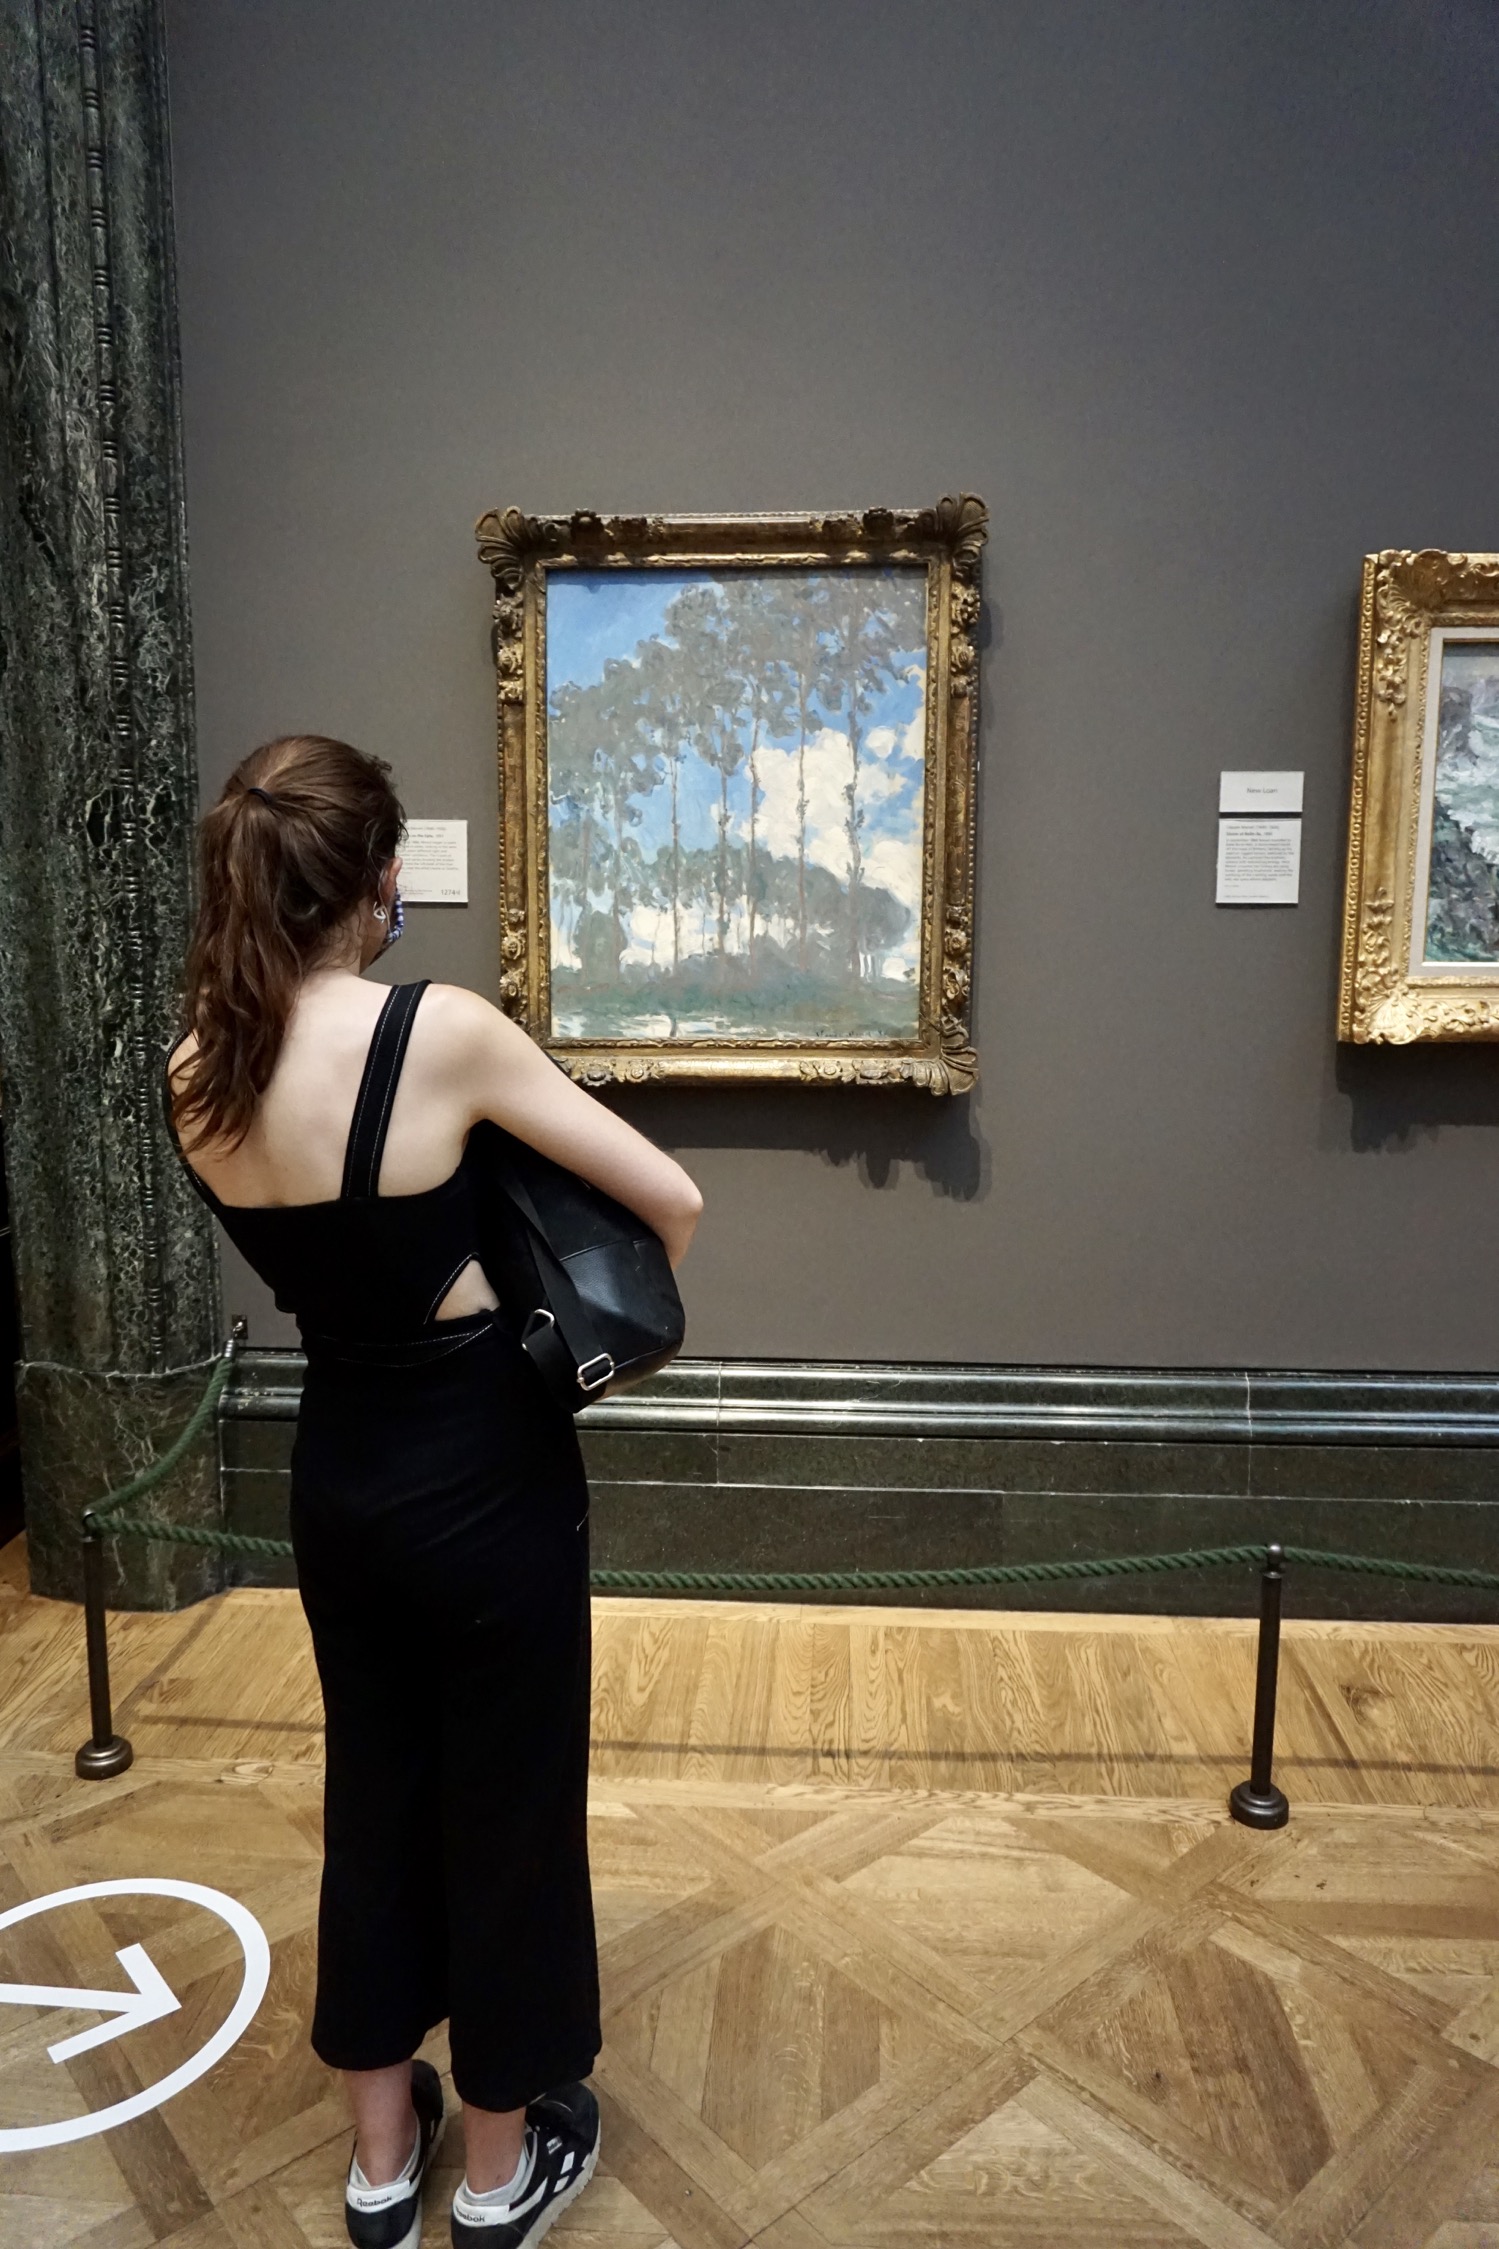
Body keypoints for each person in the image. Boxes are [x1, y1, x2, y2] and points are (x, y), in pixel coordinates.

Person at [166, 735, 702, 2249]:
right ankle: (496, 2175)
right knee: (507, 1806)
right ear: (375, 878)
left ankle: (378, 2164)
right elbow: (671, 1202)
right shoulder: (440, 1030)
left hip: (338, 1461)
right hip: (484, 1462)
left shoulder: (196, 1067)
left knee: (377, 1795)